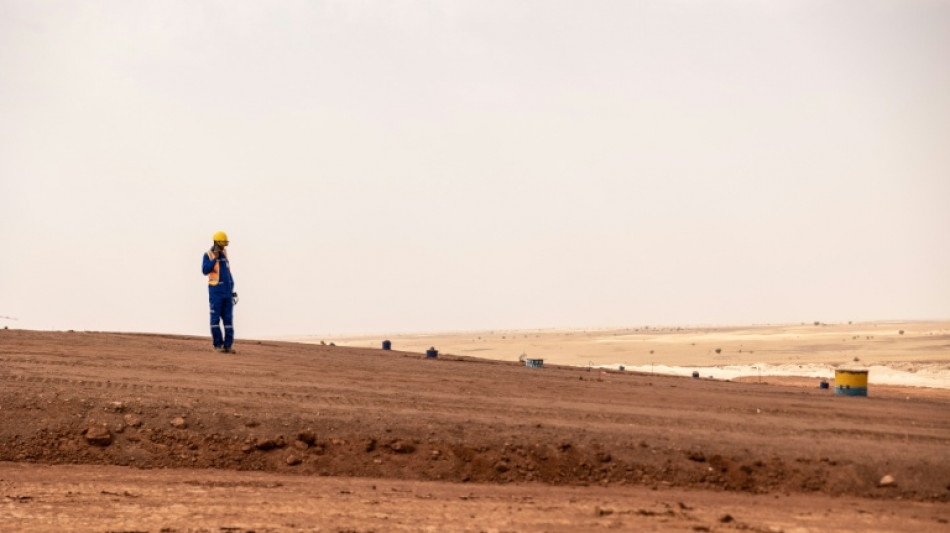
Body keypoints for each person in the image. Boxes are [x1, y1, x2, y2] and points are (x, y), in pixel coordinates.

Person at [202, 231, 237, 353]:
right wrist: (214, 259)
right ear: (217, 243)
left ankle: (228, 345)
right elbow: (205, 270)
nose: (223, 247)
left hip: (227, 293)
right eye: (222, 244)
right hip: (216, 293)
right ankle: (217, 345)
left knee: (228, 320)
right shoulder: (208, 255)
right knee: (215, 320)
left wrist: (232, 290)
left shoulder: (225, 255)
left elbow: (228, 274)